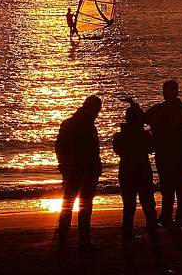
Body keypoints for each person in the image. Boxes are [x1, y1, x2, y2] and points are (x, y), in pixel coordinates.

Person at [125, 79, 182, 228]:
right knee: (167, 188)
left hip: (180, 155)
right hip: (164, 155)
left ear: (176, 92)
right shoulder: (159, 110)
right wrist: (134, 106)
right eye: (167, 90)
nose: (169, 93)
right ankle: (166, 216)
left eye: (172, 90)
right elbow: (144, 119)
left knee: (181, 189)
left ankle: (180, 218)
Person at [55, 95, 102, 251]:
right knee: (84, 205)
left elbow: (59, 149)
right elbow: (93, 151)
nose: (97, 113)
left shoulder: (68, 123)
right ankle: (83, 241)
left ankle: (63, 240)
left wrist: (63, 166)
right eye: (97, 110)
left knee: (68, 205)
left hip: (73, 170)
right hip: (84, 170)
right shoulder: (87, 125)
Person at [113, 106, 159, 246]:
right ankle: (153, 234)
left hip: (126, 171)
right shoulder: (144, 135)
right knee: (148, 205)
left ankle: (126, 235)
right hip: (143, 171)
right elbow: (152, 148)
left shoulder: (119, 136)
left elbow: (117, 151)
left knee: (129, 206)